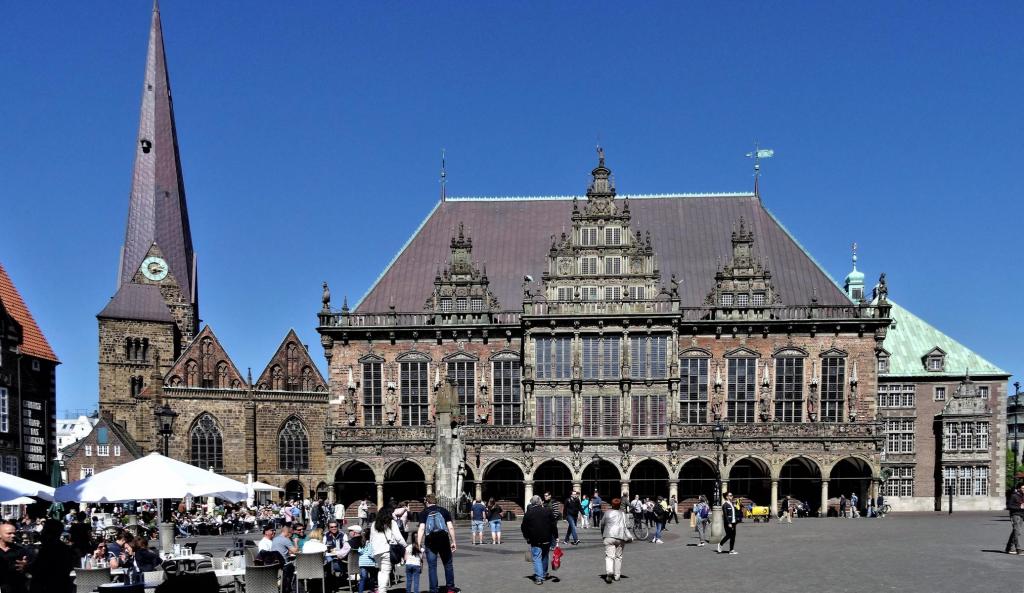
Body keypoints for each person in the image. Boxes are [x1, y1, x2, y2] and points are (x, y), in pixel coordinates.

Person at [417, 494, 457, 593]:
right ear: (436, 501)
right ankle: (450, 588)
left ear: (427, 502)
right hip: (444, 541)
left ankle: (433, 590)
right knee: (448, 564)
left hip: (430, 543)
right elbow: (450, 527)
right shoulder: (444, 511)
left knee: (432, 567)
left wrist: (418, 544)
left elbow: (421, 528)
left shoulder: (424, 512)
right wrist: (454, 541)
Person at [27, 519, 75, 593]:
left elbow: (40, 570)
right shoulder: (64, 548)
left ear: (50, 533)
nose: (42, 532)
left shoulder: (50, 549)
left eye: (44, 529)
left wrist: (25, 566)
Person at [521, 495, 557, 586]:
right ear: (540, 502)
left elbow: (523, 526)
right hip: (547, 538)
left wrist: (527, 536)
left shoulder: (529, 513)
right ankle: (544, 574)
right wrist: (556, 536)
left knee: (537, 557)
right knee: (545, 556)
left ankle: (539, 577)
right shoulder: (548, 511)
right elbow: (553, 525)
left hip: (534, 539)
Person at [370, 507, 402, 593]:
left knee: (381, 571)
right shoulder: (391, 523)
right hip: (387, 550)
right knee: (385, 571)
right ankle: (382, 591)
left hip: (376, 551)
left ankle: (381, 589)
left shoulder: (374, 524)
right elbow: (398, 537)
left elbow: (371, 539)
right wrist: (405, 546)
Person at [599, 497, 630, 583]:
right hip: (620, 537)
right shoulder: (623, 514)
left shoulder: (607, 513)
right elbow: (628, 525)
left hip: (608, 536)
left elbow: (602, 524)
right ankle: (617, 576)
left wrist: (603, 535)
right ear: (620, 505)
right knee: (618, 557)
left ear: (612, 505)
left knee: (609, 556)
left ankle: (609, 572)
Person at [0, 521, 29, 593]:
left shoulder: (21, 550)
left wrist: (26, 566)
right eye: (9, 533)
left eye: (14, 533)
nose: (13, 535)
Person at [1005, 482, 1024, 554]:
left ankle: (1009, 548)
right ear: (1019, 489)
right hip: (1015, 515)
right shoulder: (1014, 496)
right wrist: (1019, 507)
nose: (1023, 490)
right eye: (1022, 488)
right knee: (1017, 531)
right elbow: (1009, 506)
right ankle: (1018, 549)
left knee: (1015, 531)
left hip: (1022, 515)